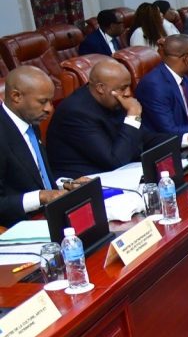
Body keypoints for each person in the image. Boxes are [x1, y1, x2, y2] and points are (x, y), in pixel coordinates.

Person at [47, 59, 168, 179]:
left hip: (114, 171)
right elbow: (115, 161)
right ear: (100, 88)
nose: (128, 93)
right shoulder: (76, 112)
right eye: (123, 88)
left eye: (129, 86)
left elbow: (142, 138)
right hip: (84, 181)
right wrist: (133, 116)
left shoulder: (111, 101)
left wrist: (178, 142)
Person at [0, 66, 72, 226]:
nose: (49, 109)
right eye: (42, 101)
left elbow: (37, 176)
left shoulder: (30, 121)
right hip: (18, 225)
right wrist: (40, 197)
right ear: (16, 96)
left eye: (50, 101)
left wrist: (65, 184)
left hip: (51, 214)